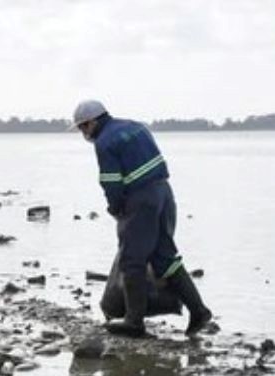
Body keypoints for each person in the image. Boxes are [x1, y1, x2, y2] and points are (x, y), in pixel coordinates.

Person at [73, 99, 212, 337]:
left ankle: (134, 321)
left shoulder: (104, 142)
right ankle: (199, 311)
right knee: (165, 256)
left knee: (132, 261)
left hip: (141, 201)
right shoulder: (137, 127)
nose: (83, 133)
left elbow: (111, 182)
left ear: (92, 122)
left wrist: (116, 209)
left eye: (82, 127)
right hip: (164, 193)